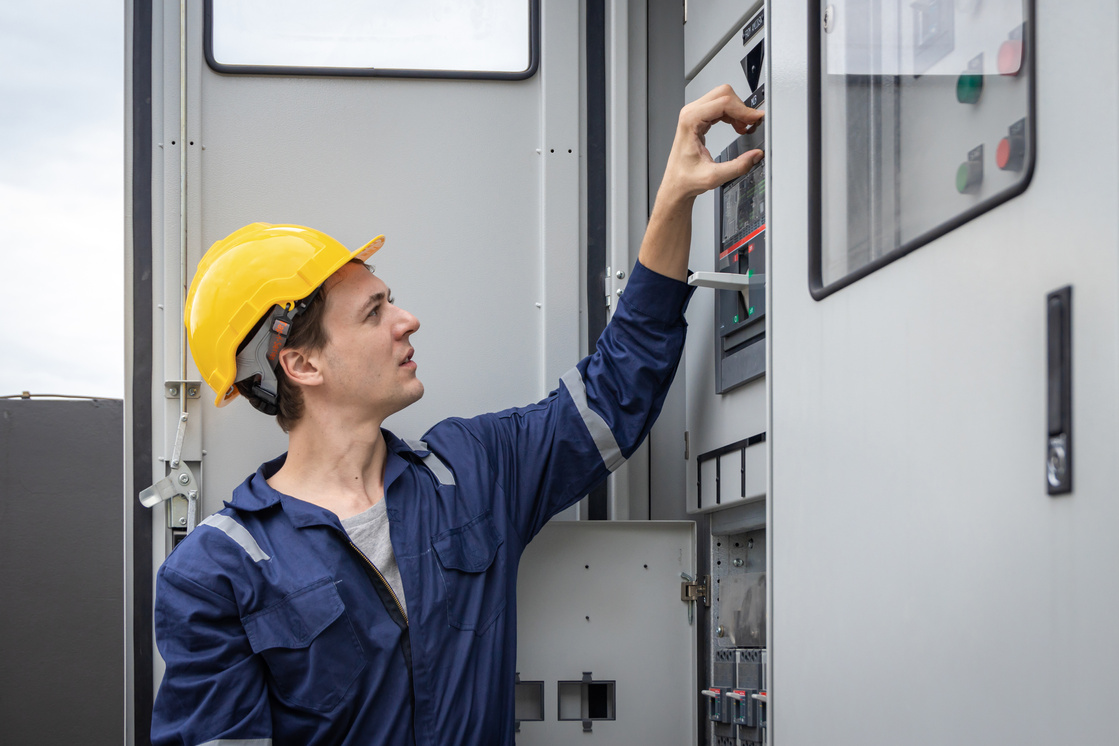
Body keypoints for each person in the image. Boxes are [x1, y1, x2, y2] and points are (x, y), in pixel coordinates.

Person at [151, 85, 763, 746]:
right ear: (301, 364)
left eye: (393, 300)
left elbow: (618, 389)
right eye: (374, 311)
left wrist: (675, 195)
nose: (407, 319)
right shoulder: (219, 570)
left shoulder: (470, 473)